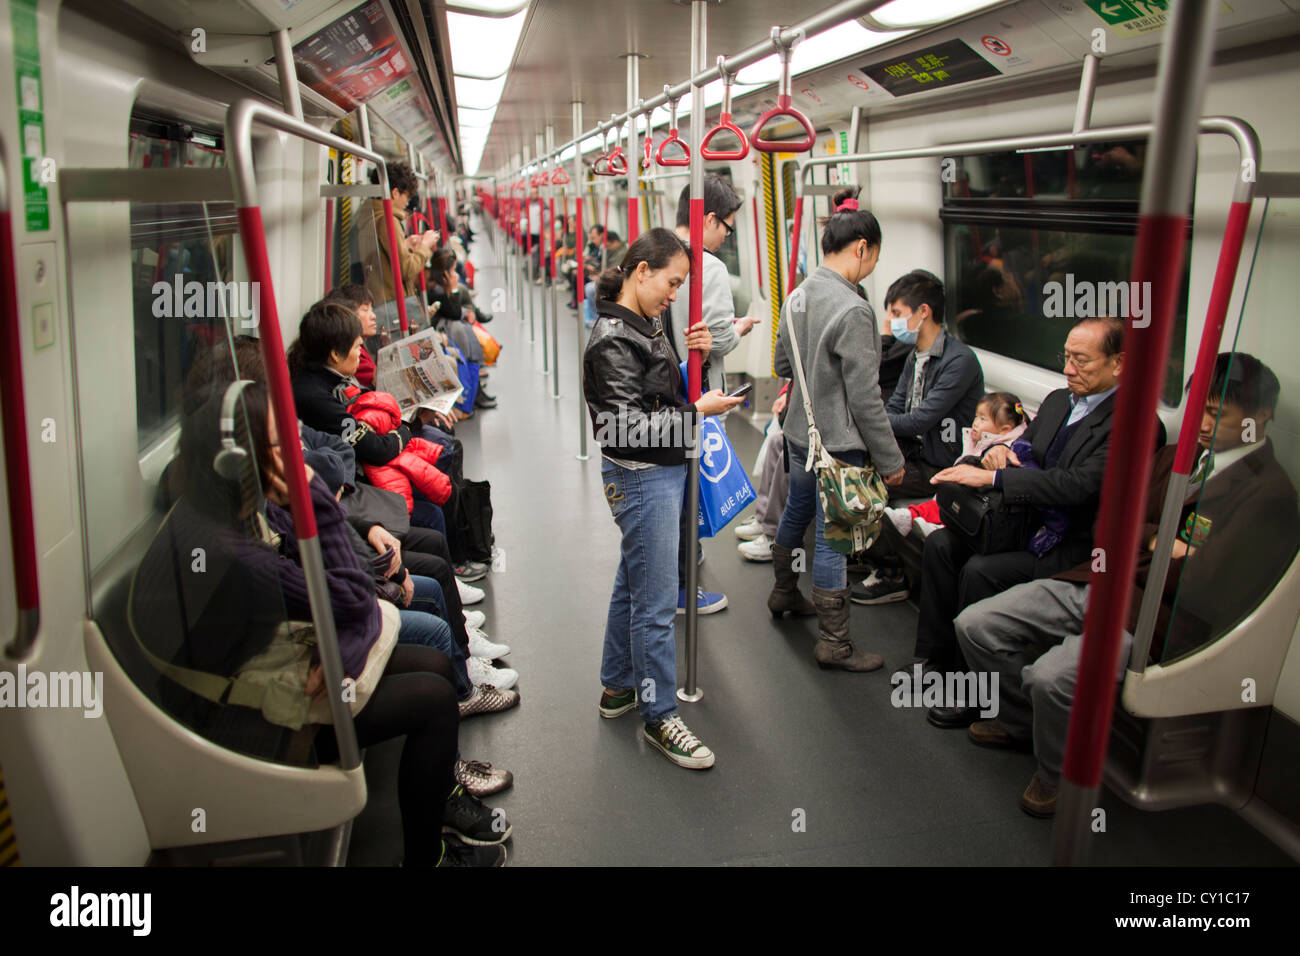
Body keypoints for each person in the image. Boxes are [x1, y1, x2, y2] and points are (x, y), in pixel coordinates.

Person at [141, 378, 508, 865]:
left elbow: (343, 600)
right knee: (434, 699)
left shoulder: (234, 505)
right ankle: (428, 858)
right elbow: (353, 597)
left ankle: (439, 804)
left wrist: (351, 645)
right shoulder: (232, 551)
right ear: (240, 459)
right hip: (236, 718)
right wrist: (312, 493)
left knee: (435, 667)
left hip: (258, 657)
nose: (294, 453)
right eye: (279, 445)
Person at [951, 353, 1299, 816]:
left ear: (1260, 418)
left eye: (1217, 414)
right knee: (976, 624)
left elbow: (1201, 583)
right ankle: (1024, 724)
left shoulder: (1269, 495)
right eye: (1198, 407)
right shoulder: (1178, 457)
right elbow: (1110, 523)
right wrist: (1156, 541)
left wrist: (1143, 540)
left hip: (1160, 617)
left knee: (1048, 676)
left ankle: (1057, 771)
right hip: (1101, 581)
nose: (1202, 422)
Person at [582, 227, 744, 770]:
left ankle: (618, 687)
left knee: (634, 580)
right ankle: (660, 716)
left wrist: (687, 362)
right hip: (641, 475)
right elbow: (624, 428)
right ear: (641, 271)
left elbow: (655, 391)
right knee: (655, 605)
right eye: (671, 282)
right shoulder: (611, 340)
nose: (675, 294)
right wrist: (697, 413)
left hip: (657, 471)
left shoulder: (643, 322)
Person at [915, 316, 1124, 700]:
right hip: (1024, 519)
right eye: (1066, 357)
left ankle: (974, 689)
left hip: (1070, 543)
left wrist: (995, 480)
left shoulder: (1133, 424)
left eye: (1082, 361)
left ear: (1119, 363)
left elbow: (1079, 487)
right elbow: (1027, 449)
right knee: (942, 545)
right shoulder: (1060, 400)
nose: (1068, 369)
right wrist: (1000, 451)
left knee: (981, 570)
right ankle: (936, 660)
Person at [768, 186, 906, 672]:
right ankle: (835, 643)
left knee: (798, 508)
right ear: (862, 248)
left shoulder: (798, 294)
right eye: (873, 257)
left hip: (799, 434)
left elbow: (783, 361)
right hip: (838, 446)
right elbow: (866, 399)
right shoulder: (855, 310)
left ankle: (784, 591)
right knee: (834, 537)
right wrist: (891, 462)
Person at [852, 270, 985, 604]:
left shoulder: (959, 362)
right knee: (847, 468)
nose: (892, 322)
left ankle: (892, 573)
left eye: (897, 314)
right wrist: (878, 425)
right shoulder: (915, 356)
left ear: (923, 312)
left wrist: (874, 422)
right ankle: (868, 552)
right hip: (913, 454)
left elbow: (920, 420)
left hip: (938, 463)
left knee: (859, 485)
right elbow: (896, 405)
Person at [666, 175, 760, 613]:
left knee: (675, 485)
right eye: (726, 225)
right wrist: (737, 329)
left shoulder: (657, 253)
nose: (727, 235)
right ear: (707, 219)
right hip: (696, 392)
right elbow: (715, 340)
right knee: (689, 484)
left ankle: (686, 556)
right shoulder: (710, 268)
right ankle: (683, 585)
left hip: (663, 389)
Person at [881, 391, 1028, 539]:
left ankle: (933, 525)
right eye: (976, 416)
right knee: (937, 503)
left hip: (970, 502)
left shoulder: (1000, 453)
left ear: (1004, 430)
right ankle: (910, 516)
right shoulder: (978, 441)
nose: (976, 422)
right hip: (955, 493)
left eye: (983, 419)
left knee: (948, 506)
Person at [365, 162, 438, 331]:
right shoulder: (388, 221)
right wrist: (425, 246)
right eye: (406, 196)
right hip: (392, 303)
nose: (407, 202)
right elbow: (406, 270)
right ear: (395, 193)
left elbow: (378, 257)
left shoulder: (370, 215)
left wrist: (405, 246)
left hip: (381, 299)